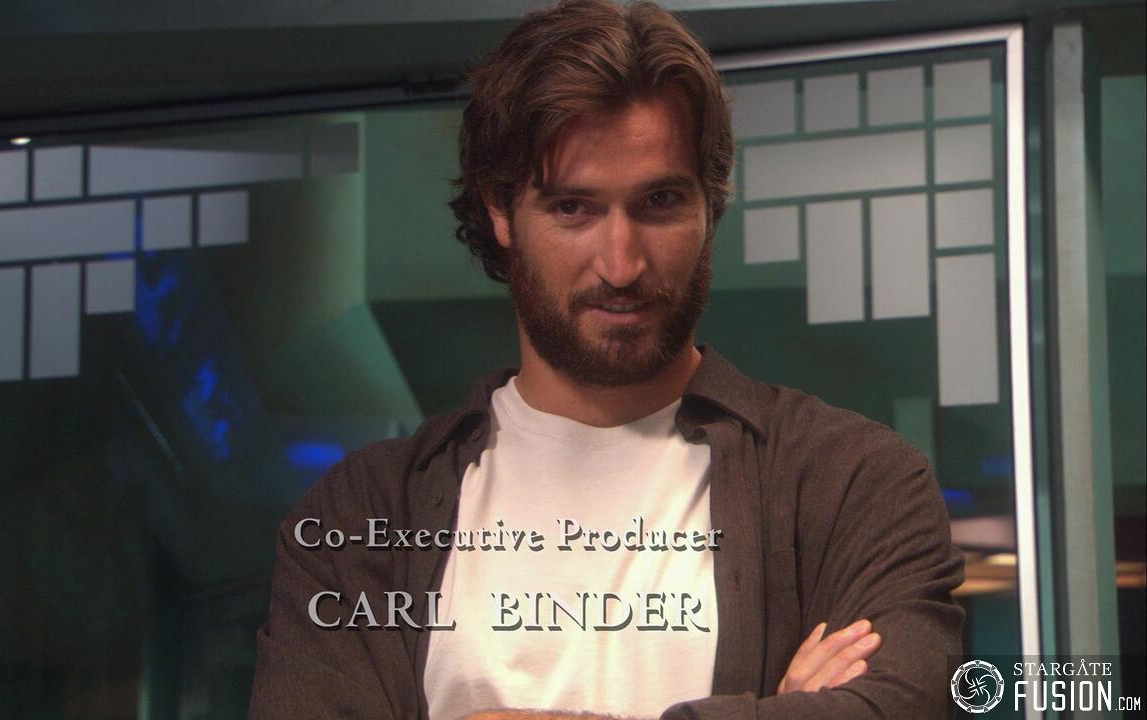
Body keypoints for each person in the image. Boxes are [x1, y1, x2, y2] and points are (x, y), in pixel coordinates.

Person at [248, 1, 964, 718]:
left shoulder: (853, 482)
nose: (621, 265)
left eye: (660, 201)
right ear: (500, 210)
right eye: (573, 208)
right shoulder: (362, 514)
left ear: (711, 206)